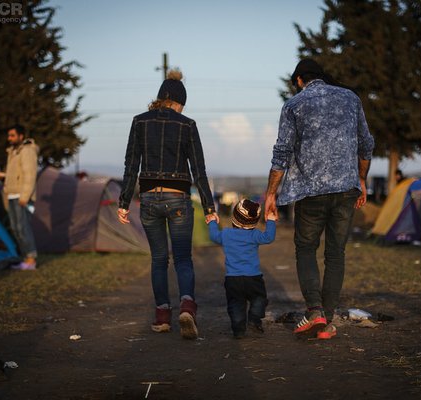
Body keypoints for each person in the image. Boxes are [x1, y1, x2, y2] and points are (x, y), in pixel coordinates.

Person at [264, 58, 375, 340]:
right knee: (336, 253)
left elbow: (282, 153)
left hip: (310, 193)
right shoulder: (350, 98)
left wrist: (270, 194)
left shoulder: (294, 105)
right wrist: (361, 180)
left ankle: (315, 312)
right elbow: (366, 144)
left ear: (300, 80)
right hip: (345, 189)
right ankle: (327, 321)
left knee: (305, 249)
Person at [117, 71, 218, 340]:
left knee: (159, 260)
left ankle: (162, 316)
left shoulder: (139, 122)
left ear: (160, 97)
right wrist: (209, 207)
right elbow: (199, 170)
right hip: (178, 199)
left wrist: (124, 202)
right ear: (176, 101)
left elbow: (131, 166)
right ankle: (187, 306)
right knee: (183, 258)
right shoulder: (187, 124)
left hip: (149, 199)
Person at [207, 199, 276, 339]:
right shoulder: (254, 235)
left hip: (233, 279)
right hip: (253, 277)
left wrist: (213, 221)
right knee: (259, 298)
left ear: (234, 218)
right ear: (254, 221)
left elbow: (214, 236)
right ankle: (254, 318)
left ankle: (238, 329)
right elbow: (269, 237)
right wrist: (271, 220)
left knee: (236, 303)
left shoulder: (226, 234)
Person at [0, 124, 40, 271]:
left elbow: (30, 174)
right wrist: (3, 176)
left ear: (21, 136)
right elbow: (16, 174)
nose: (10, 138)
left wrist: (25, 196)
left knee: (23, 227)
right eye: (9, 136)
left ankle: (31, 259)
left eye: (12, 135)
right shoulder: (13, 152)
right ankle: (26, 258)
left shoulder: (27, 151)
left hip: (22, 195)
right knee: (15, 228)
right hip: (12, 194)